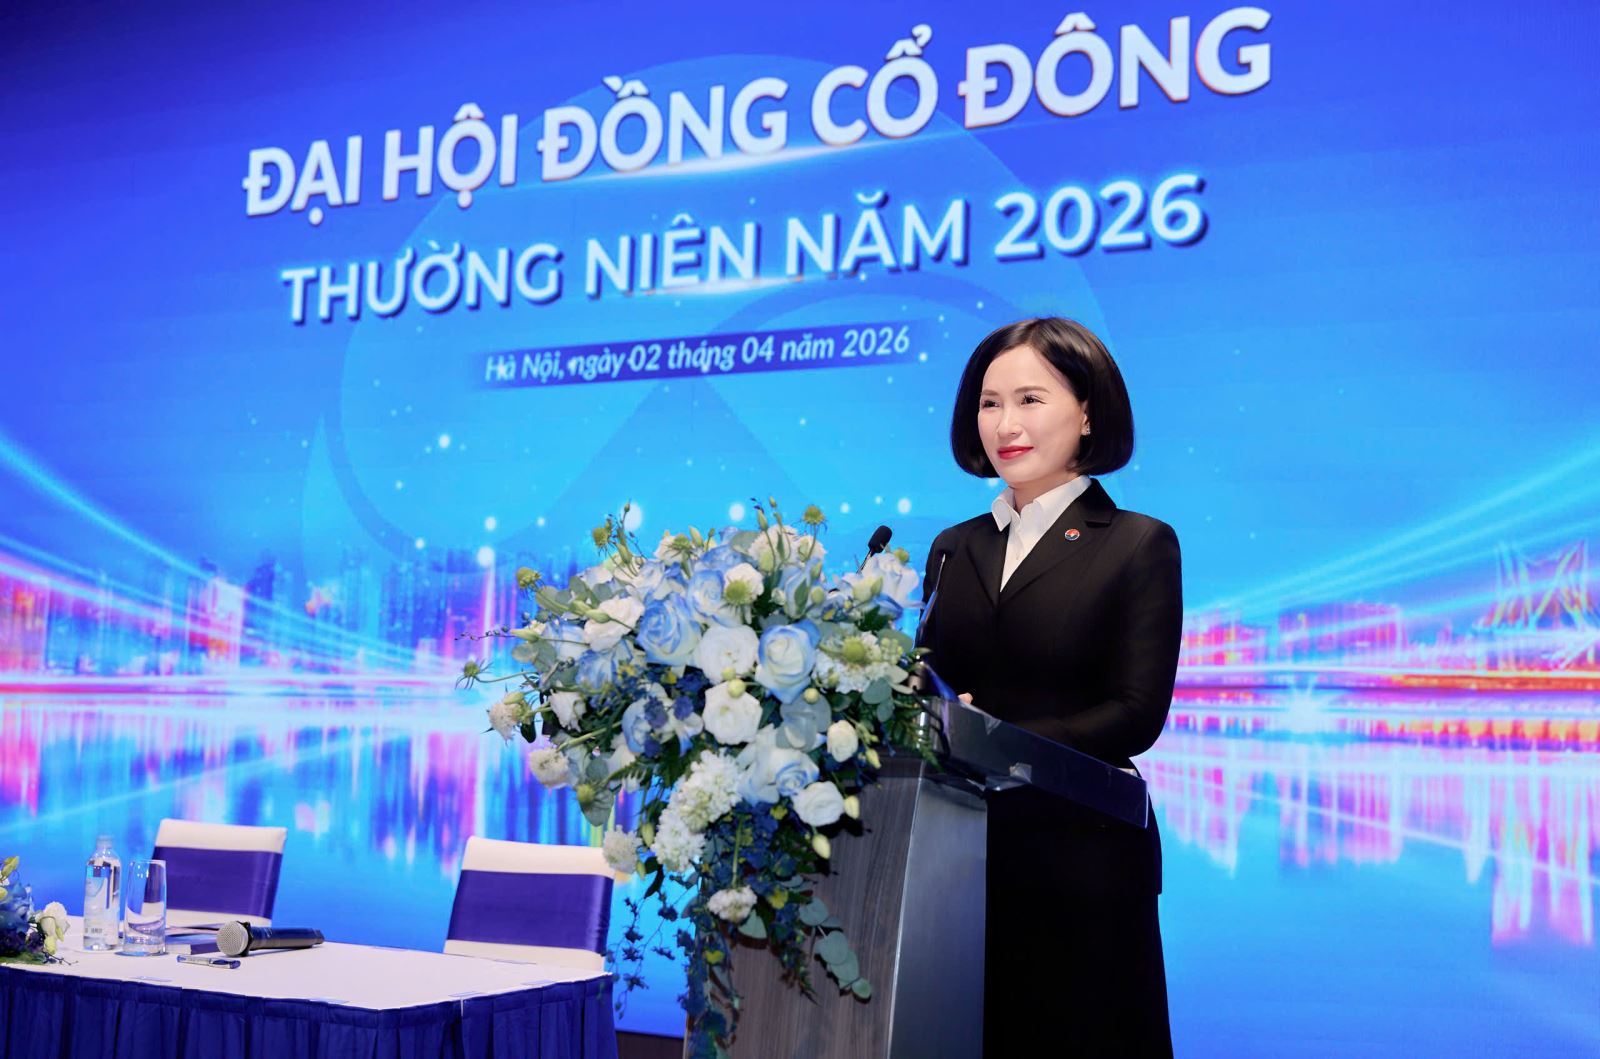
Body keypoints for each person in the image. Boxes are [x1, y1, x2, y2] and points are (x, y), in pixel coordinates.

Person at [919, 317, 1181, 1057]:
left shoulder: (1136, 541)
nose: (1006, 424)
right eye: (990, 403)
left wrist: (989, 740)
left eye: (1030, 399)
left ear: (1088, 412)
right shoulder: (954, 546)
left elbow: (1135, 713)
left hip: (1083, 859)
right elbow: (931, 686)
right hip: (957, 861)